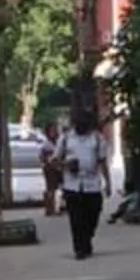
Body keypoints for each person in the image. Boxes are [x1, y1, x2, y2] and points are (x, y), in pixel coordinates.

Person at [59, 108, 110, 260]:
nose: (81, 127)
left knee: (93, 214)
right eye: (79, 124)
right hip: (72, 185)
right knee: (76, 218)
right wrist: (66, 165)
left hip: (92, 184)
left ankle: (87, 238)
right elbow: (54, 160)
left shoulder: (97, 138)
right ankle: (79, 248)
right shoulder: (66, 138)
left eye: (84, 124)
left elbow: (102, 161)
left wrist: (108, 183)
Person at [40, 122, 64, 217]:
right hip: (50, 168)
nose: (55, 132)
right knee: (51, 188)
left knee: (59, 188)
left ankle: (57, 207)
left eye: (56, 130)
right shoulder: (46, 144)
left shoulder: (59, 142)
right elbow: (43, 157)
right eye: (53, 131)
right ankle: (50, 209)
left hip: (58, 168)